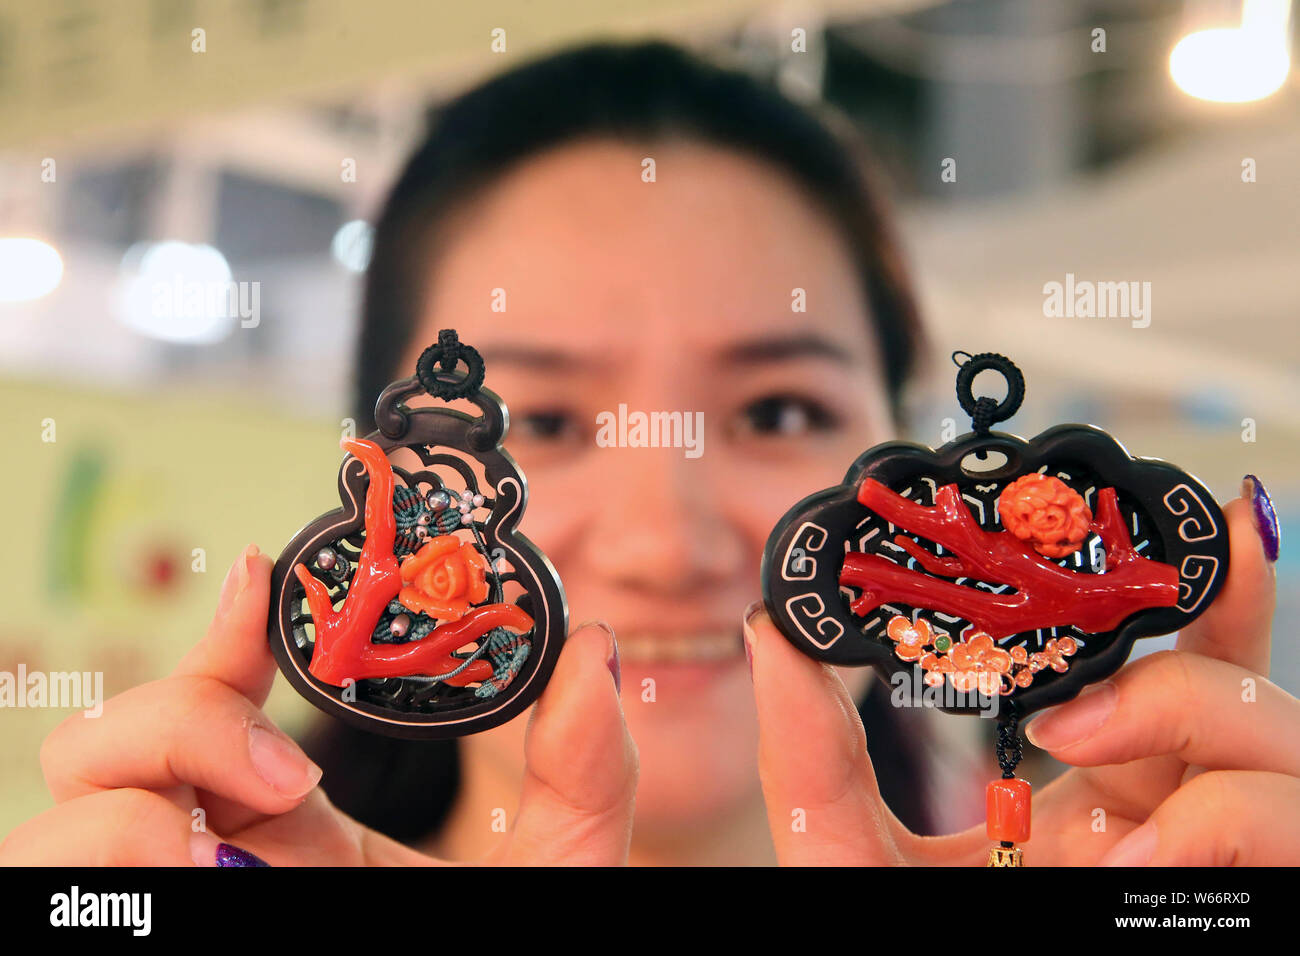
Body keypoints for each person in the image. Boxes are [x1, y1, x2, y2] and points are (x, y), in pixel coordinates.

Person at [3, 41, 1289, 867]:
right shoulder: (176, 866)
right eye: (546, 422)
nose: (664, 543)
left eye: (778, 413)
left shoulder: (1144, 872)